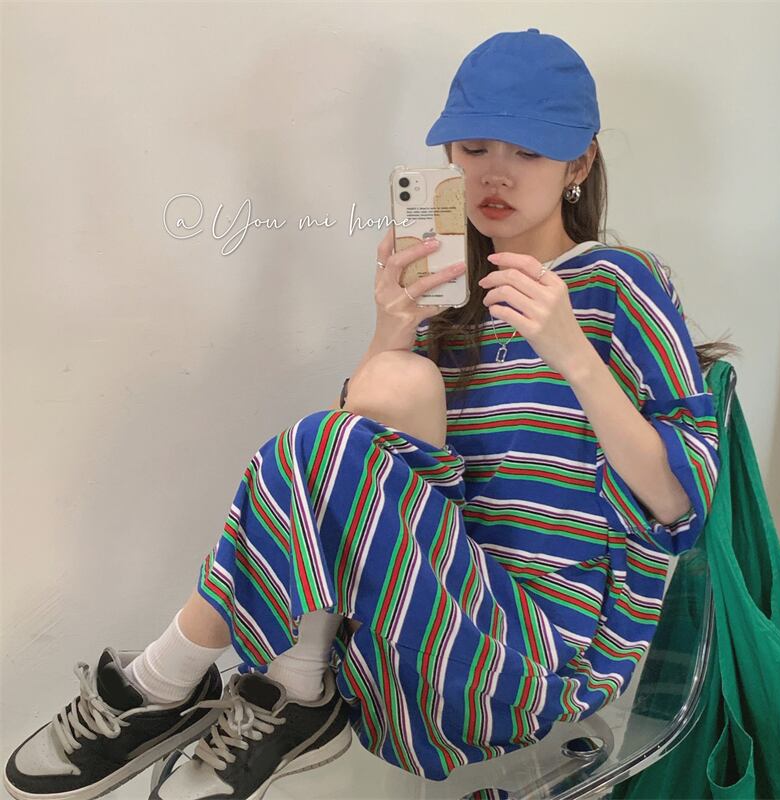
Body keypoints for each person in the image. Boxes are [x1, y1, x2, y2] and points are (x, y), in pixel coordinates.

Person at [3, 27, 726, 800]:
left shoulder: (620, 284)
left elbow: (679, 505)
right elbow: (328, 492)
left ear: (578, 165)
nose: (495, 172)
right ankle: (294, 683)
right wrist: (393, 329)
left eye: (528, 151)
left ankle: (165, 681)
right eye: (474, 147)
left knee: (337, 432)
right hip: (410, 645)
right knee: (382, 395)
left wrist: (574, 355)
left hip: (536, 665)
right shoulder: (451, 304)